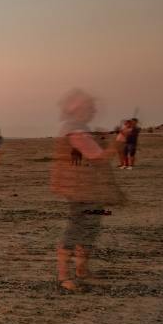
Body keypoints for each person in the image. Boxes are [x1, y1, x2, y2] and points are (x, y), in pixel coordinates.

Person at [50, 90, 125, 293]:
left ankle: (81, 270)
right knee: (77, 229)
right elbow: (99, 158)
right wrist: (119, 141)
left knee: (90, 227)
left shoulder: (76, 129)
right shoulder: (76, 131)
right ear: (79, 110)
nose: (94, 111)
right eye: (90, 108)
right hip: (80, 190)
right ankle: (65, 275)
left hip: (85, 189)